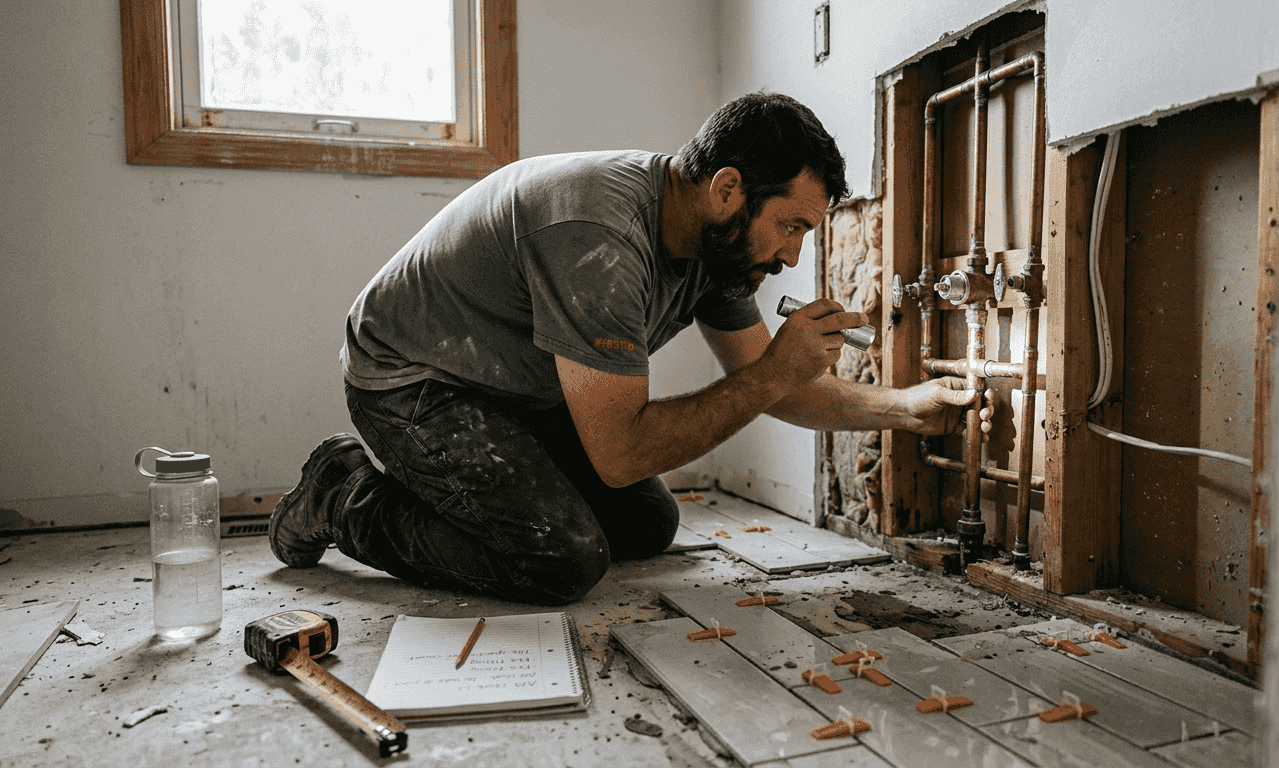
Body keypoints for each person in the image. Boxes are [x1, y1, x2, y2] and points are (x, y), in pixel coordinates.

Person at [269, 92, 982, 605]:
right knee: (562, 560)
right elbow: (623, 451)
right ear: (728, 188)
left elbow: (778, 385)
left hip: (515, 387)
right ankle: (344, 494)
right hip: (412, 382)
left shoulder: (717, 244)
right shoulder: (600, 237)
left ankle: (456, 488)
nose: (793, 257)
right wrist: (773, 372)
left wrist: (907, 408)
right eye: (790, 226)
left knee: (645, 523)